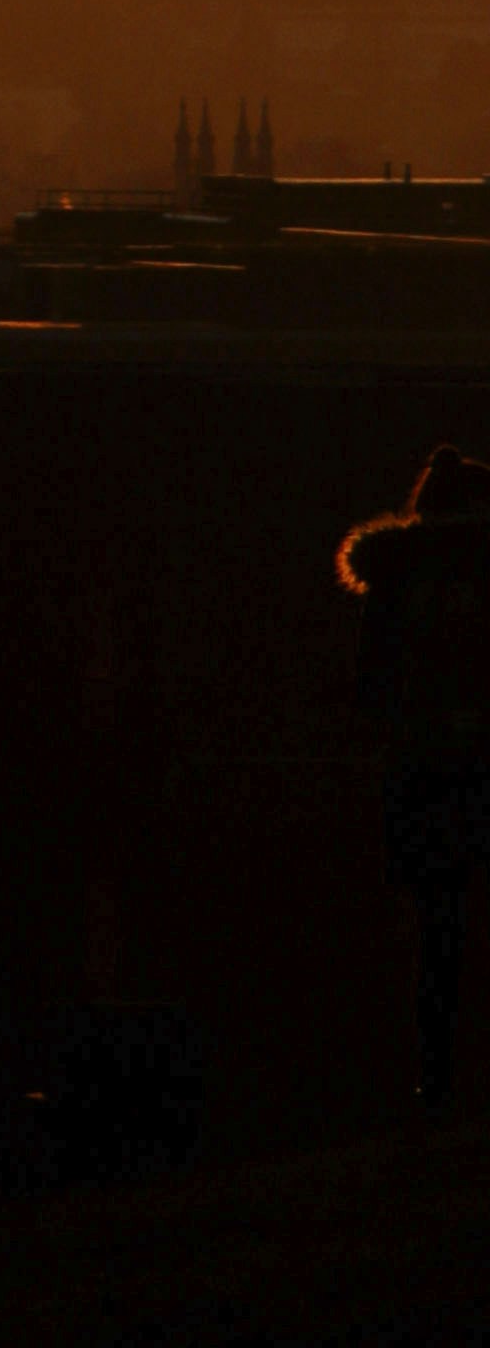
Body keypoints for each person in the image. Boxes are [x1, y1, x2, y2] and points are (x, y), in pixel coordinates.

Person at [340, 445, 490, 1106]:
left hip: (418, 768)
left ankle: (437, 1074)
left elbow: (368, 689)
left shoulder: (395, 578)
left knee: (437, 930)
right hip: (477, 768)